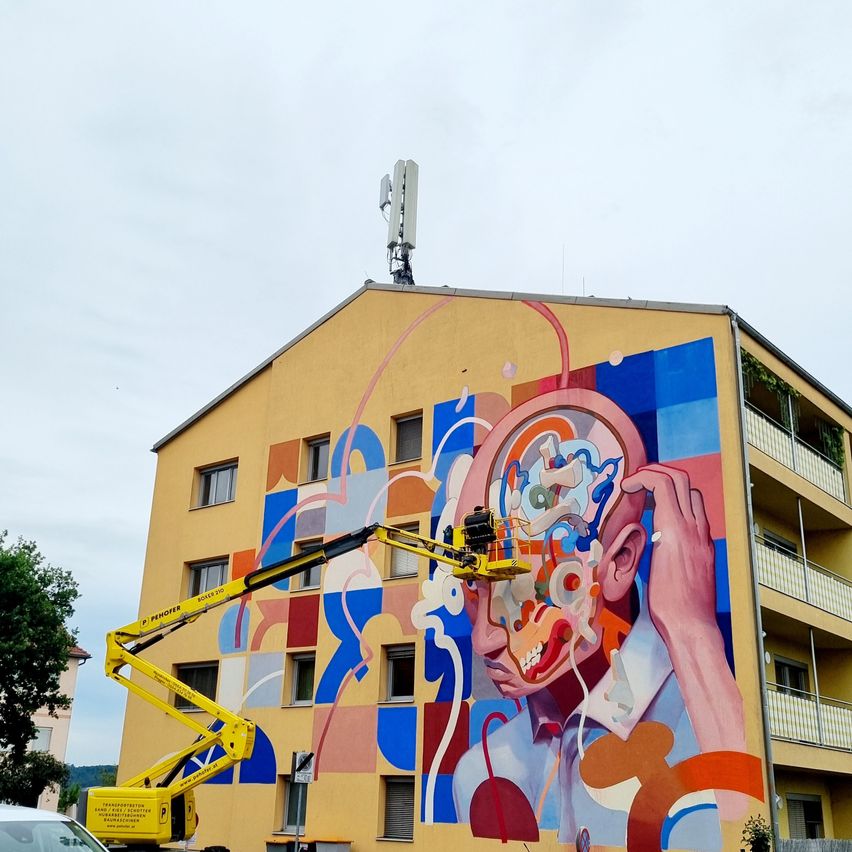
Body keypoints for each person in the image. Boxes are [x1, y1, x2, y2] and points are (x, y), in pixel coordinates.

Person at [450, 387, 746, 850]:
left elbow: (749, 828)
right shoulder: (481, 769)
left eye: (517, 585)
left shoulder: (700, 715)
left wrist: (694, 635)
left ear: (621, 561)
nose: (483, 638)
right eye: (473, 584)